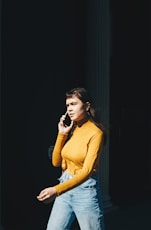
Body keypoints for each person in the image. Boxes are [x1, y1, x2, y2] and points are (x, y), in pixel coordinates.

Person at [37, 87, 106, 230]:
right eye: (67, 105)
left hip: (85, 191)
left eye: (73, 104)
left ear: (87, 106)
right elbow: (56, 162)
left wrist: (56, 190)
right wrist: (61, 134)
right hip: (65, 186)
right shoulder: (73, 129)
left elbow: (87, 171)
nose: (69, 109)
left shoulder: (96, 133)